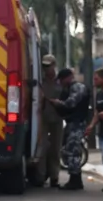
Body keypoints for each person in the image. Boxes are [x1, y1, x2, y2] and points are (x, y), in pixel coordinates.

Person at [47, 68, 90, 190]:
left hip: (77, 124)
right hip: (72, 123)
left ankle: (75, 181)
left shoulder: (78, 87)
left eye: (61, 80)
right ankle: (74, 179)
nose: (60, 83)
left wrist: (57, 103)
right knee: (68, 150)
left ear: (68, 78)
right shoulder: (69, 89)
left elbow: (71, 103)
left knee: (73, 151)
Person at [34, 54, 65, 188]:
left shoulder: (61, 81)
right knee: (42, 147)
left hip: (57, 117)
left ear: (54, 65)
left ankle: (54, 177)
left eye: (48, 66)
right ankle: (41, 177)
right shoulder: (40, 80)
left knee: (55, 148)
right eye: (44, 66)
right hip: (43, 117)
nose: (46, 68)